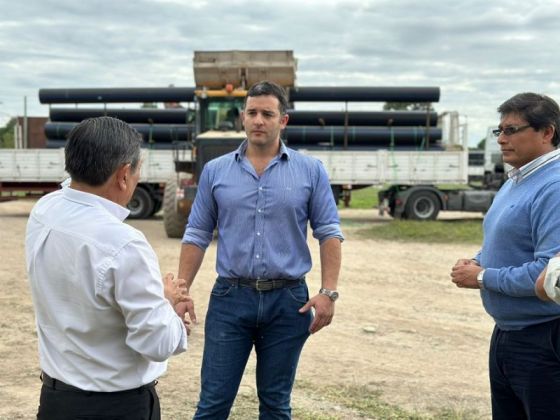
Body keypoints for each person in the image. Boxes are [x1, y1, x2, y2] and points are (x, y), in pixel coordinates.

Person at [176, 80, 343, 419]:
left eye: (268, 114)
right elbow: (196, 233)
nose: (258, 120)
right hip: (230, 300)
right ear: (242, 117)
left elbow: (328, 233)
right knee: (212, 404)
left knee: (276, 405)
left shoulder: (310, 171)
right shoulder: (216, 171)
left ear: (283, 121)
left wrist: (328, 292)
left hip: (289, 304)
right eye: (252, 113)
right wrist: (181, 290)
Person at [25, 116, 189, 420]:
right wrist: (167, 303)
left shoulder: (44, 211)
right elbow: (156, 343)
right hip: (115, 407)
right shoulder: (124, 243)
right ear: (124, 175)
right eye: (138, 170)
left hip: (55, 399)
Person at [450, 93, 560, 419]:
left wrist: (482, 277)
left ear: (547, 132)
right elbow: (506, 241)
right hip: (509, 334)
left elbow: (549, 272)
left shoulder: (553, 186)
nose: (500, 139)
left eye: (511, 130)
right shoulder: (518, 179)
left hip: (543, 338)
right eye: (499, 130)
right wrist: (478, 259)